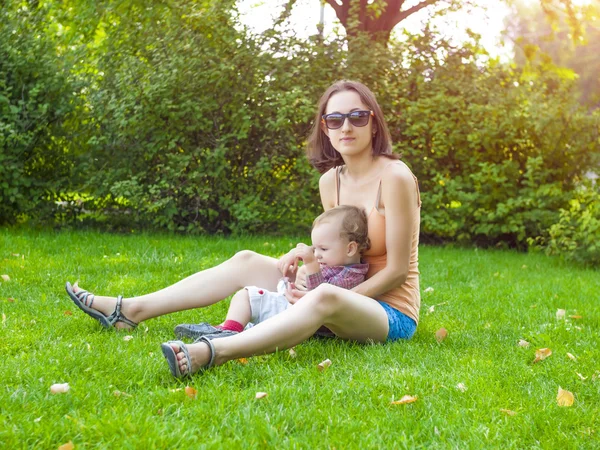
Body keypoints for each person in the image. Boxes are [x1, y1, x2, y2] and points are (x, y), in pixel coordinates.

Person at [65, 79, 421, 379]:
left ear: (374, 123)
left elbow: (396, 271)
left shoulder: (395, 177)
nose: (346, 127)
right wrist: (303, 265)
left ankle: (212, 352)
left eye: (357, 117)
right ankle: (129, 312)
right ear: (325, 129)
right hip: (340, 294)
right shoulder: (331, 181)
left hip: (388, 312)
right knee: (247, 260)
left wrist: (321, 296)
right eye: (335, 119)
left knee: (325, 297)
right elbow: (342, 251)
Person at [173, 205, 371, 341]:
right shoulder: (333, 260)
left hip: (309, 321)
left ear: (350, 249)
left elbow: (322, 298)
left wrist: (311, 265)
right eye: (314, 248)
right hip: (292, 308)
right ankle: (226, 329)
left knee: (249, 297)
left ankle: (227, 332)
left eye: (323, 249)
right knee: (249, 298)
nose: (316, 254)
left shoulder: (352, 276)